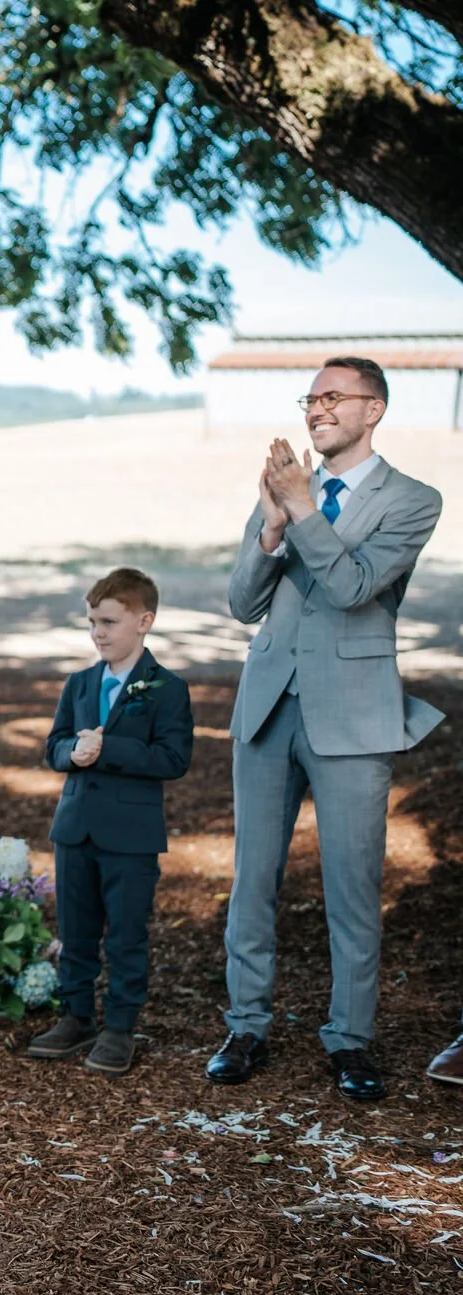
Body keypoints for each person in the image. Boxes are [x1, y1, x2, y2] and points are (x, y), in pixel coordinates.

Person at [209, 356, 444, 1102]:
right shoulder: (288, 489)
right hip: (268, 706)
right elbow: (243, 603)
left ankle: (350, 1038)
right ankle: (245, 1024)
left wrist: (304, 508)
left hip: (355, 716)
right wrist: (273, 525)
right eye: (311, 397)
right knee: (252, 881)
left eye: (333, 396)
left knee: (352, 886)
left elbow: (348, 588)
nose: (317, 409)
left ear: (373, 409)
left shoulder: (414, 499)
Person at [26, 568, 193, 1077]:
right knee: (75, 931)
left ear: (144, 621)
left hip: (130, 835)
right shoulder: (80, 684)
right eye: (92, 622)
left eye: (109, 622)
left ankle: (120, 1025)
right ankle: (76, 1015)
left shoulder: (166, 688)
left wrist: (109, 748)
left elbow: (173, 759)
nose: (98, 632)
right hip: (74, 828)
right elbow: (53, 744)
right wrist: (69, 753)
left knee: (124, 933)